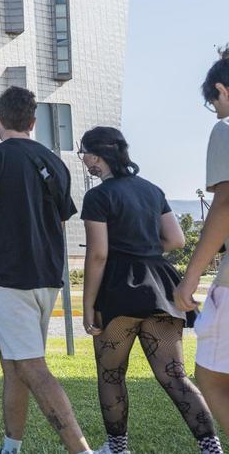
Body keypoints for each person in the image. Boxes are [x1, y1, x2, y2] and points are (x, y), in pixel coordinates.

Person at [79, 126, 222, 454]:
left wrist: (88, 306)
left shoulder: (98, 196)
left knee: (111, 375)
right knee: (175, 376)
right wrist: (142, 247)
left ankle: (118, 448)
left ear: (97, 156)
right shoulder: (152, 190)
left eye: (84, 152)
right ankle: (211, 448)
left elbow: (98, 254)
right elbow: (176, 240)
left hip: (118, 290)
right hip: (160, 287)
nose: (83, 159)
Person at [0, 87, 91, 454]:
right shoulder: (56, 162)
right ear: (33, 122)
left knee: (32, 366)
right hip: (48, 274)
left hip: (9, 276)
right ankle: (11, 446)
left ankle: (80, 449)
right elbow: (62, 221)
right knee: (14, 363)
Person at [176, 48, 229, 434]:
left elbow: (225, 203)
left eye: (215, 105)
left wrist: (191, 276)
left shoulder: (225, 129)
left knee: (210, 377)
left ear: (221, 91)